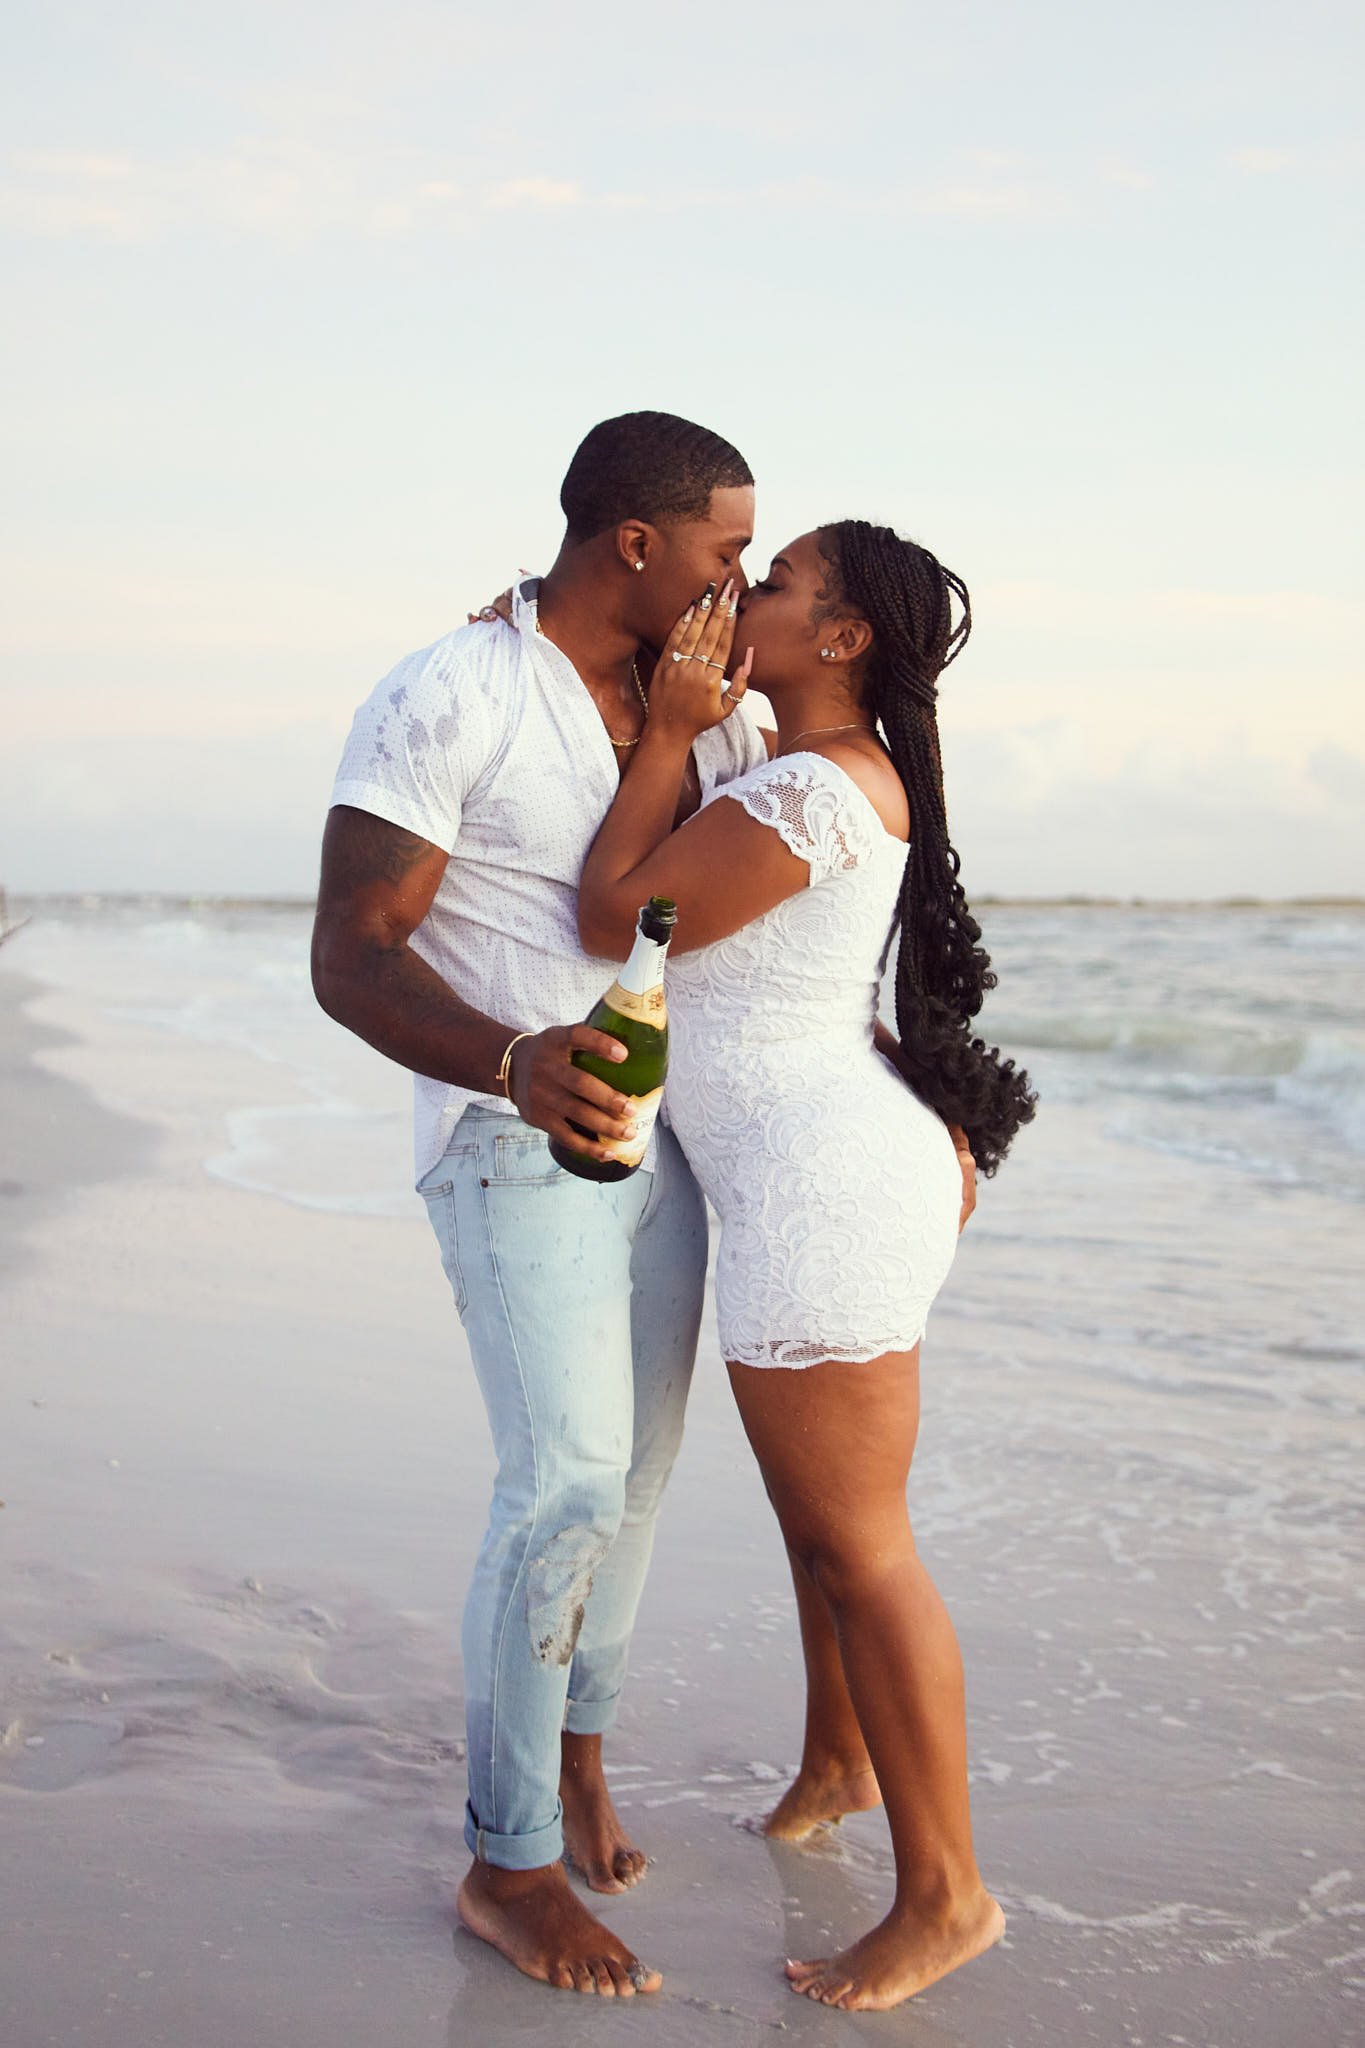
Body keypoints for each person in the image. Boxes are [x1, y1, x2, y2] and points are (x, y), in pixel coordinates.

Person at [311, 411, 765, 1998]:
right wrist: (511, 1060)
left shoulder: (704, 711)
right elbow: (352, 951)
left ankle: (577, 1754)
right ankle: (505, 1866)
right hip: (514, 1137)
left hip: (675, 1144)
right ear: (633, 545)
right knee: (562, 1478)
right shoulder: (453, 690)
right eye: (724, 547)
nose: (743, 574)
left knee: (632, 1482)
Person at [572, 519, 1036, 2011]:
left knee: (862, 1542)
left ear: (840, 640)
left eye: (773, 587)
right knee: (815, 1519)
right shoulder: (800, 770)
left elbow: (615, 915)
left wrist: (655, 735)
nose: (740, 596)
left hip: (823, 1185)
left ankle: (948, 1895)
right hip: (812, 1164)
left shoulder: (814, 790)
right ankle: (838, 1758)